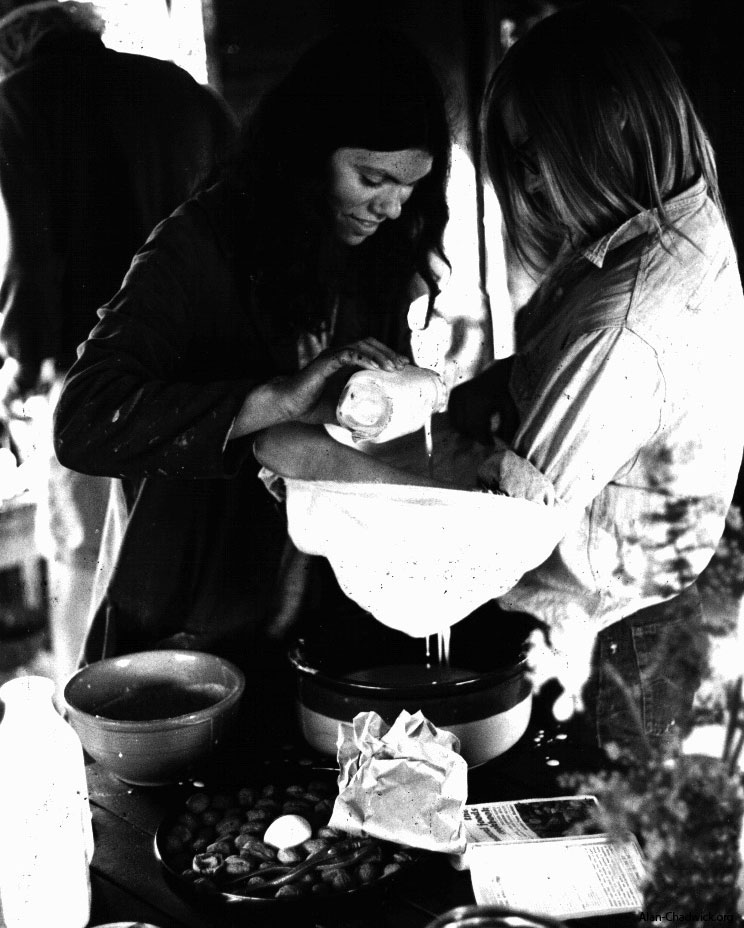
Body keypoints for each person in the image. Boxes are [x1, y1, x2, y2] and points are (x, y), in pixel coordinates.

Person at [254, 3, 744, 755]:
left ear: (612, 119)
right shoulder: (676, 229)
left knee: (600, 848)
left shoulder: (625, 321)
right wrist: (493, 387)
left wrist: (324, 477)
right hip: (659, 611)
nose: (530, 181)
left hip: (619, 648)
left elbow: (496, 532)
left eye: (533, 149)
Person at [51, 26, 452, 728]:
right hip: (188, 616)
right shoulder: (196, 247)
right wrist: (275, 398)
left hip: (311, 605)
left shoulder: (374, 252)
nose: (391, 208)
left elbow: (347, 430)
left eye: (409, 188)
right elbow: (84, 422)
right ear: (307, 154)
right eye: (373, 178)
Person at [0, 0, 236, 688]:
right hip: (206, 371)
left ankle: (92, 711)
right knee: (185, 542)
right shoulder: (181, 92)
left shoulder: (15, 104)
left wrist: (22, 359)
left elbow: (26, 251)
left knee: (84, 546)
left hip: (92, 372)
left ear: (15, 44)